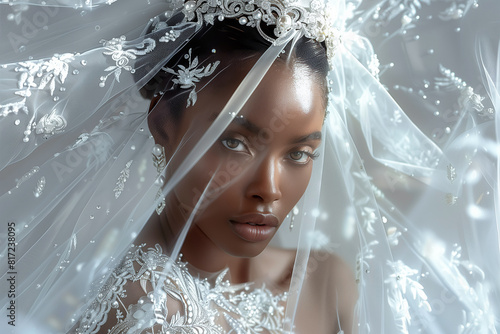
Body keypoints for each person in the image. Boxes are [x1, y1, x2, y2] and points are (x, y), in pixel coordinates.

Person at [0, 0, 499, 333]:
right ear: (162, 122)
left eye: (299, 153)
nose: (269, 190)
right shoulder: (142, 311)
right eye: (235, 142)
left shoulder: (326, 278)